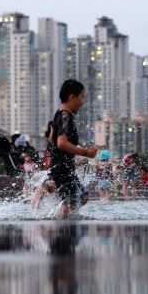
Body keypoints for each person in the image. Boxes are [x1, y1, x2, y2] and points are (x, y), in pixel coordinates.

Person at [49, 79, 98, 219]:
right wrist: (85, 153)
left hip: (63, 166)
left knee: (82, 196)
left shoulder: (60, 114)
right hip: (62, 167)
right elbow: (61, 143)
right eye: (82, 97)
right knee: (68, 202)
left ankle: (64, 225)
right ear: (72, 97)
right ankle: (60, 230)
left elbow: (51, 138)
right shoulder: (65, 116)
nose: (83, 101)